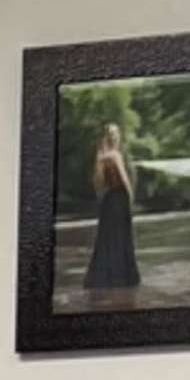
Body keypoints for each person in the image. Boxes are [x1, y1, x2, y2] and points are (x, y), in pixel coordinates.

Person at [82, 112, 141, 300]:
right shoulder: (116, 155)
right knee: (122, 239)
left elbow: (97, 184)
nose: (116, 137)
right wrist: (131, 199)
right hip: (120, 198)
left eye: (117, 134)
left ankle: (103, 278)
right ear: (111, 137)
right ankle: (124, 278)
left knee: (106, 240)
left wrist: (99, 163)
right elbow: (124, 179)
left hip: (107, 201)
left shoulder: (100, 157)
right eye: (113, 135)